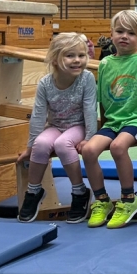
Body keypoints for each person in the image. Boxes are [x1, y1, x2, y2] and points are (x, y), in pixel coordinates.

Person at [81, 10, 137, 229]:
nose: (124, 36)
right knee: (88, 150)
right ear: (111, 34)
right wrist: (103, 124)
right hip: (113, 122)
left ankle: (129, 199)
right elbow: (103, 97)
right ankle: (102, 201)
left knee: (118, 148)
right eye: (119, 31)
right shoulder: (105, 64)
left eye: (131, 33)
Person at [16, 33, 97, 224]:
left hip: (79, 125)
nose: (77, 60)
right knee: (41, 144)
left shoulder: (86, 79)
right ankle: (34, 191)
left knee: (62, 144)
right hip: (55, 125)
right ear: (55, 59)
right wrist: (30, 147)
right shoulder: (45, 83)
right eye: (70, 56)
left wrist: (89, 138)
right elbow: (38, 116)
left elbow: (90, 110)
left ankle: (80, 192)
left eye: (81, 55)